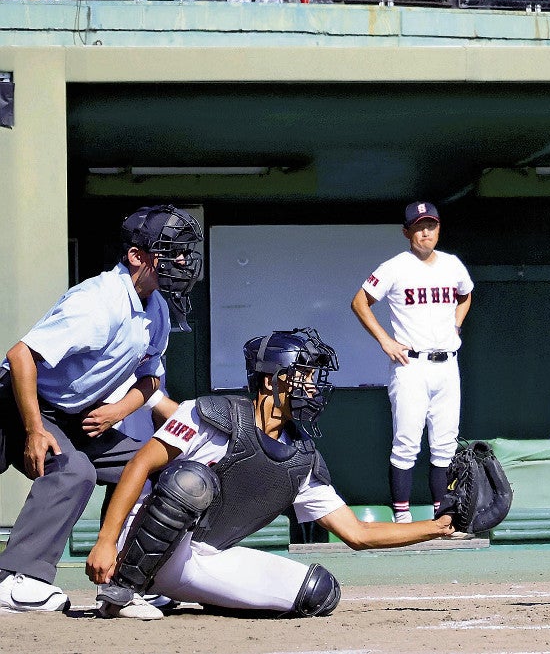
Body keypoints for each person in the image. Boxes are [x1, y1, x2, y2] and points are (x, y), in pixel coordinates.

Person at [86, 328, 455, 620]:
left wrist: (439, 527)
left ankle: (174, 591)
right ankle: (123, 590)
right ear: (270, 381)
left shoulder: (302, 459)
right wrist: (106, 540)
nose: (313, 387)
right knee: (191, 482)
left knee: (319, 591)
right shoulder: (211, 414)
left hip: (200, 559)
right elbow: (139, 465)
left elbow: (358, 533)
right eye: (303, 376)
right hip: (132, 543)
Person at [0, 205, 203, 613]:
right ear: (136, 256)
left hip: (78, 414)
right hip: (16, 401)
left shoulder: (157, 308)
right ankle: (15, 579)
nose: (183, 261)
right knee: (74, 471)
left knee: (160, 464)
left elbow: (150, 380)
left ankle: (130, 578)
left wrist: (116, 412)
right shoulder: (98, 302)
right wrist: (36, 430)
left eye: (185, 252)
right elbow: (21, 355)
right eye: (173, 251)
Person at [350, 201, 474, 525]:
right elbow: (360, 301)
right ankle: (402, 518)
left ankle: (442, 517)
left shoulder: (452, 265)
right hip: (412, 365)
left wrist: (457, 324)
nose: (425, 232)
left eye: (430, 225)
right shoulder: (395, 267)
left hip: (447, 364)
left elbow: (466, 294)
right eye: (418, 227)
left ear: (438, 228)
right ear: (407, 232)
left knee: (445, 445)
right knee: (406, 443)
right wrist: (384, 340)